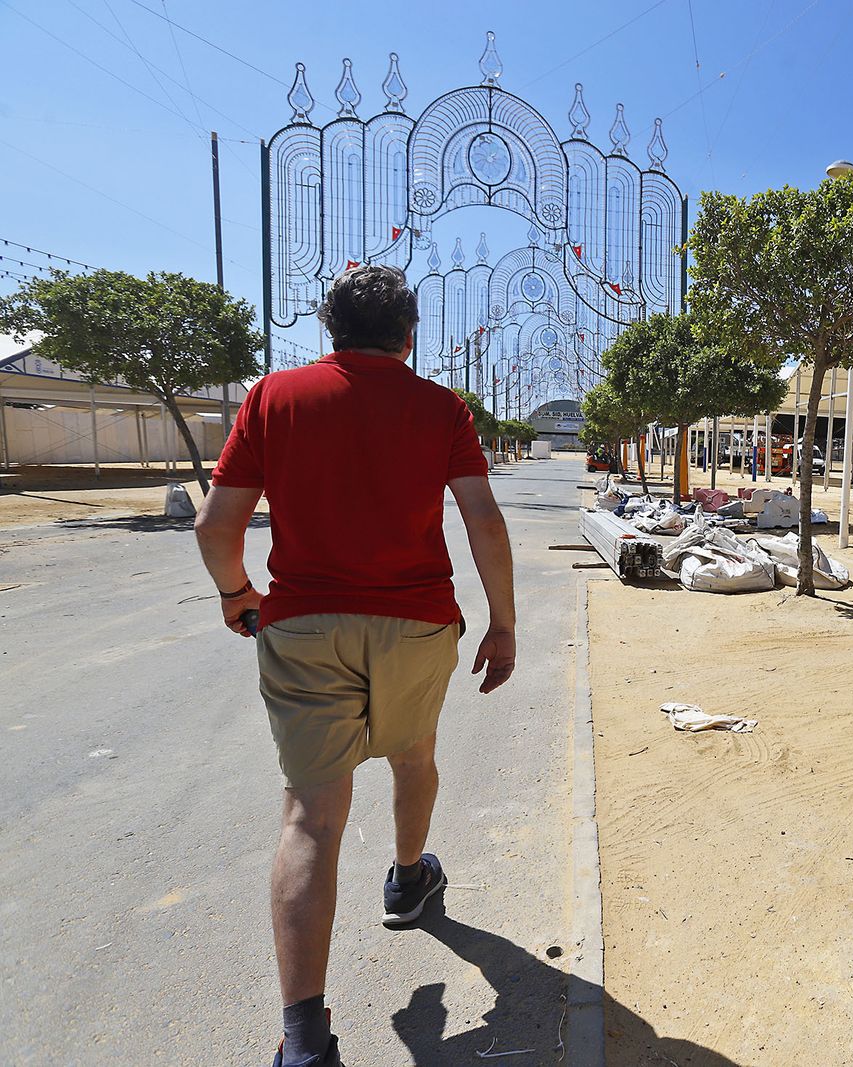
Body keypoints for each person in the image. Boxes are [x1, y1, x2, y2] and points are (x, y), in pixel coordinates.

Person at [194, 265, 517, 1067]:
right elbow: (483, 516)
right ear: (410, 336)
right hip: (416, 623)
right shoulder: (442, 407)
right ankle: (408, 880)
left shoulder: (273, 396)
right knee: (413, 756)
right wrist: (503, 623)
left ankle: (305, 1041)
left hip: (301, 623)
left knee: (311, 816)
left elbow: (215, 524)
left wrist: (239, 594)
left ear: (327, 329)